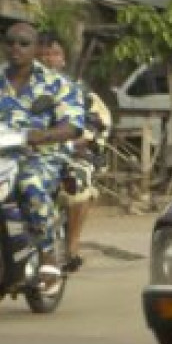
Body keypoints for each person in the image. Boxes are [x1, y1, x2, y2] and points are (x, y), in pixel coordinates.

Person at [0, 22, 84, 283]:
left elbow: (73, 125)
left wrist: (45, 135)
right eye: (10, 42)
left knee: (30, 184)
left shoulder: (56, 84)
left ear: (37, 48)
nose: (15, 48)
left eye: (24, 43)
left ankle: (48, 253)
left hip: (41, 156)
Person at [37, 31, 111, 273]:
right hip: (29, 154)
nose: (48, 59)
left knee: (75, 182)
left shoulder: (77, 91)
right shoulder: (17, 90)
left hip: (71, 154)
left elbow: (98, 122)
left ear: (63, 60)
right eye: (42, 54)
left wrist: (79, 139)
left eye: (54, 54)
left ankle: (71, 247)